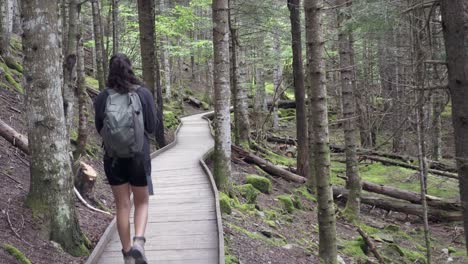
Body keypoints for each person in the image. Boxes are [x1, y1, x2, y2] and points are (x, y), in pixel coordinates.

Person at [94, 53, 158, 264]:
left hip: (113, 159)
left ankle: (127, 254)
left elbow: (100, 128)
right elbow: (151, 126)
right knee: (141, 202)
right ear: (130, 69)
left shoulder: (103, 97)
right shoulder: (143, 94)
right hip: (139, 157)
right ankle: (139, 241)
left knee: (122, 205)